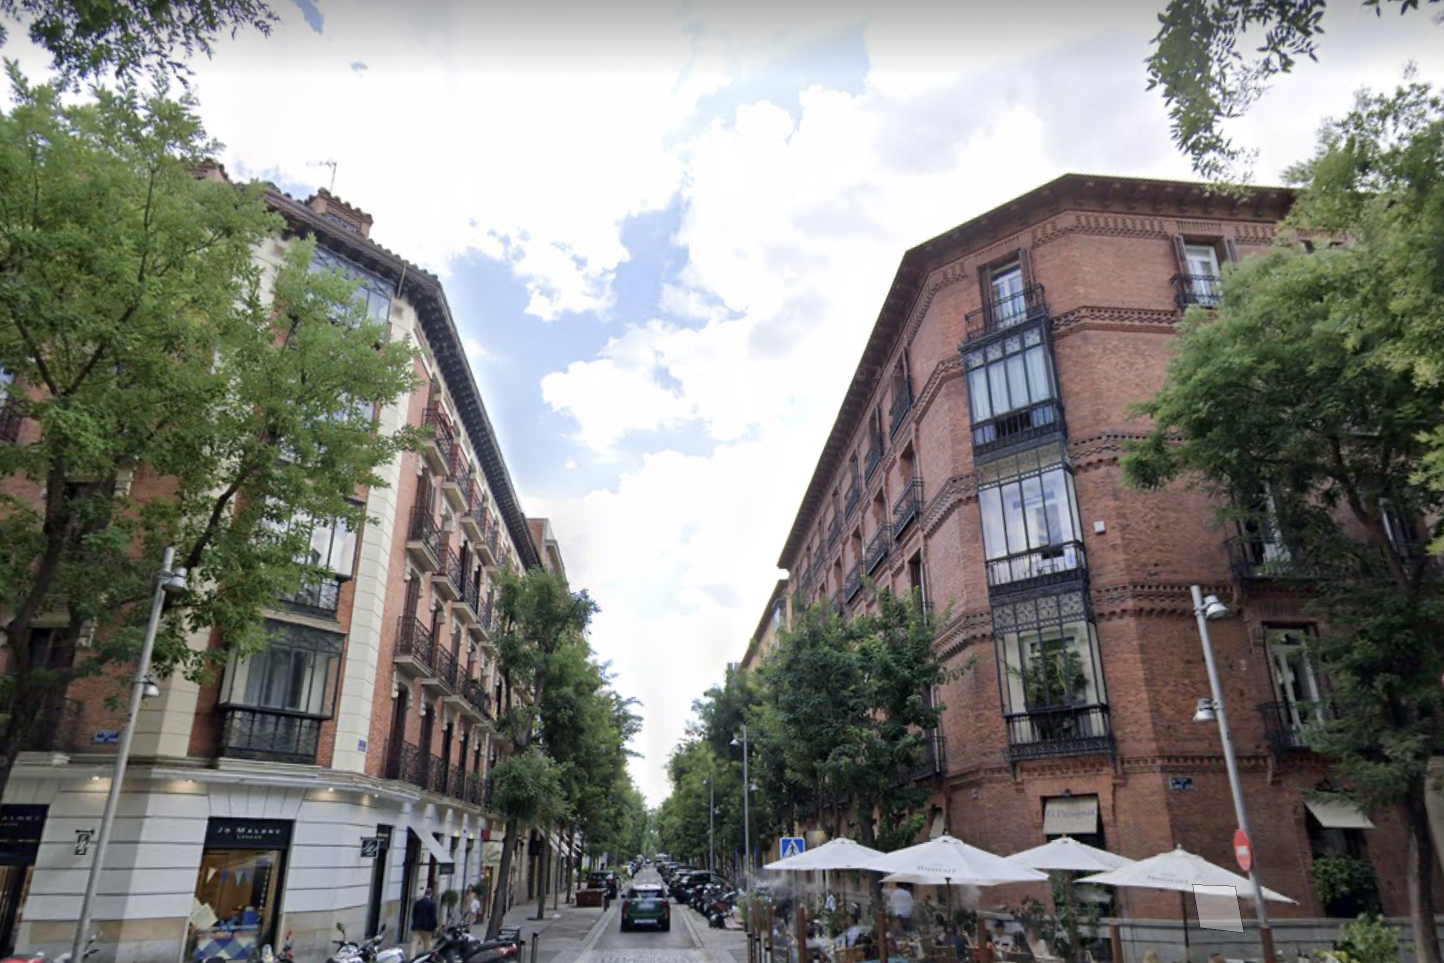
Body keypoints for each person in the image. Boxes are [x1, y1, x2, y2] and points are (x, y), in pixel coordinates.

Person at [411, 886, 438, 955]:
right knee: (427, 944)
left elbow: (414, 914)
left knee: (414, 942)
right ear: (431, 894)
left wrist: (414, 922)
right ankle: (426, 957)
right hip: (427, 928)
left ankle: (412, 957)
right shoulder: (432, 903)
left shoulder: (418, 902)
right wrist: (435, 926)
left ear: (425, 894)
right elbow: (433, 916)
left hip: (417, 926)